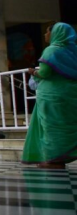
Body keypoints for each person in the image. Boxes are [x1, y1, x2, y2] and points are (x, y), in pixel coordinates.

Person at [22, 23, 77, 169]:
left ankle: (53, 159)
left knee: (52, 127)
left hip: (52, 96)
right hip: (71, 94)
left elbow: (45, 72)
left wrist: (33, 72)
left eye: (47, 32)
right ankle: (62, 156)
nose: (45, 35)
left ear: (55, 34)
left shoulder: (51, 50)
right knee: (67, 125)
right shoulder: (74, 51)